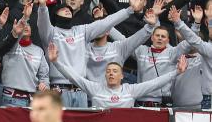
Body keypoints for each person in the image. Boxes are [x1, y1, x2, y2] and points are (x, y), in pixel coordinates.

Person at [47, 41, 186, 109]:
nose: (111, 74)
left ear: (122, 76)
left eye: (114, 71)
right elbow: (74, 77)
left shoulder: (130, 90)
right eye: (108, 72)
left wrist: (177, 72)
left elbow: (154, 83)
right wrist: (56, 62)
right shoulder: (95, 88)